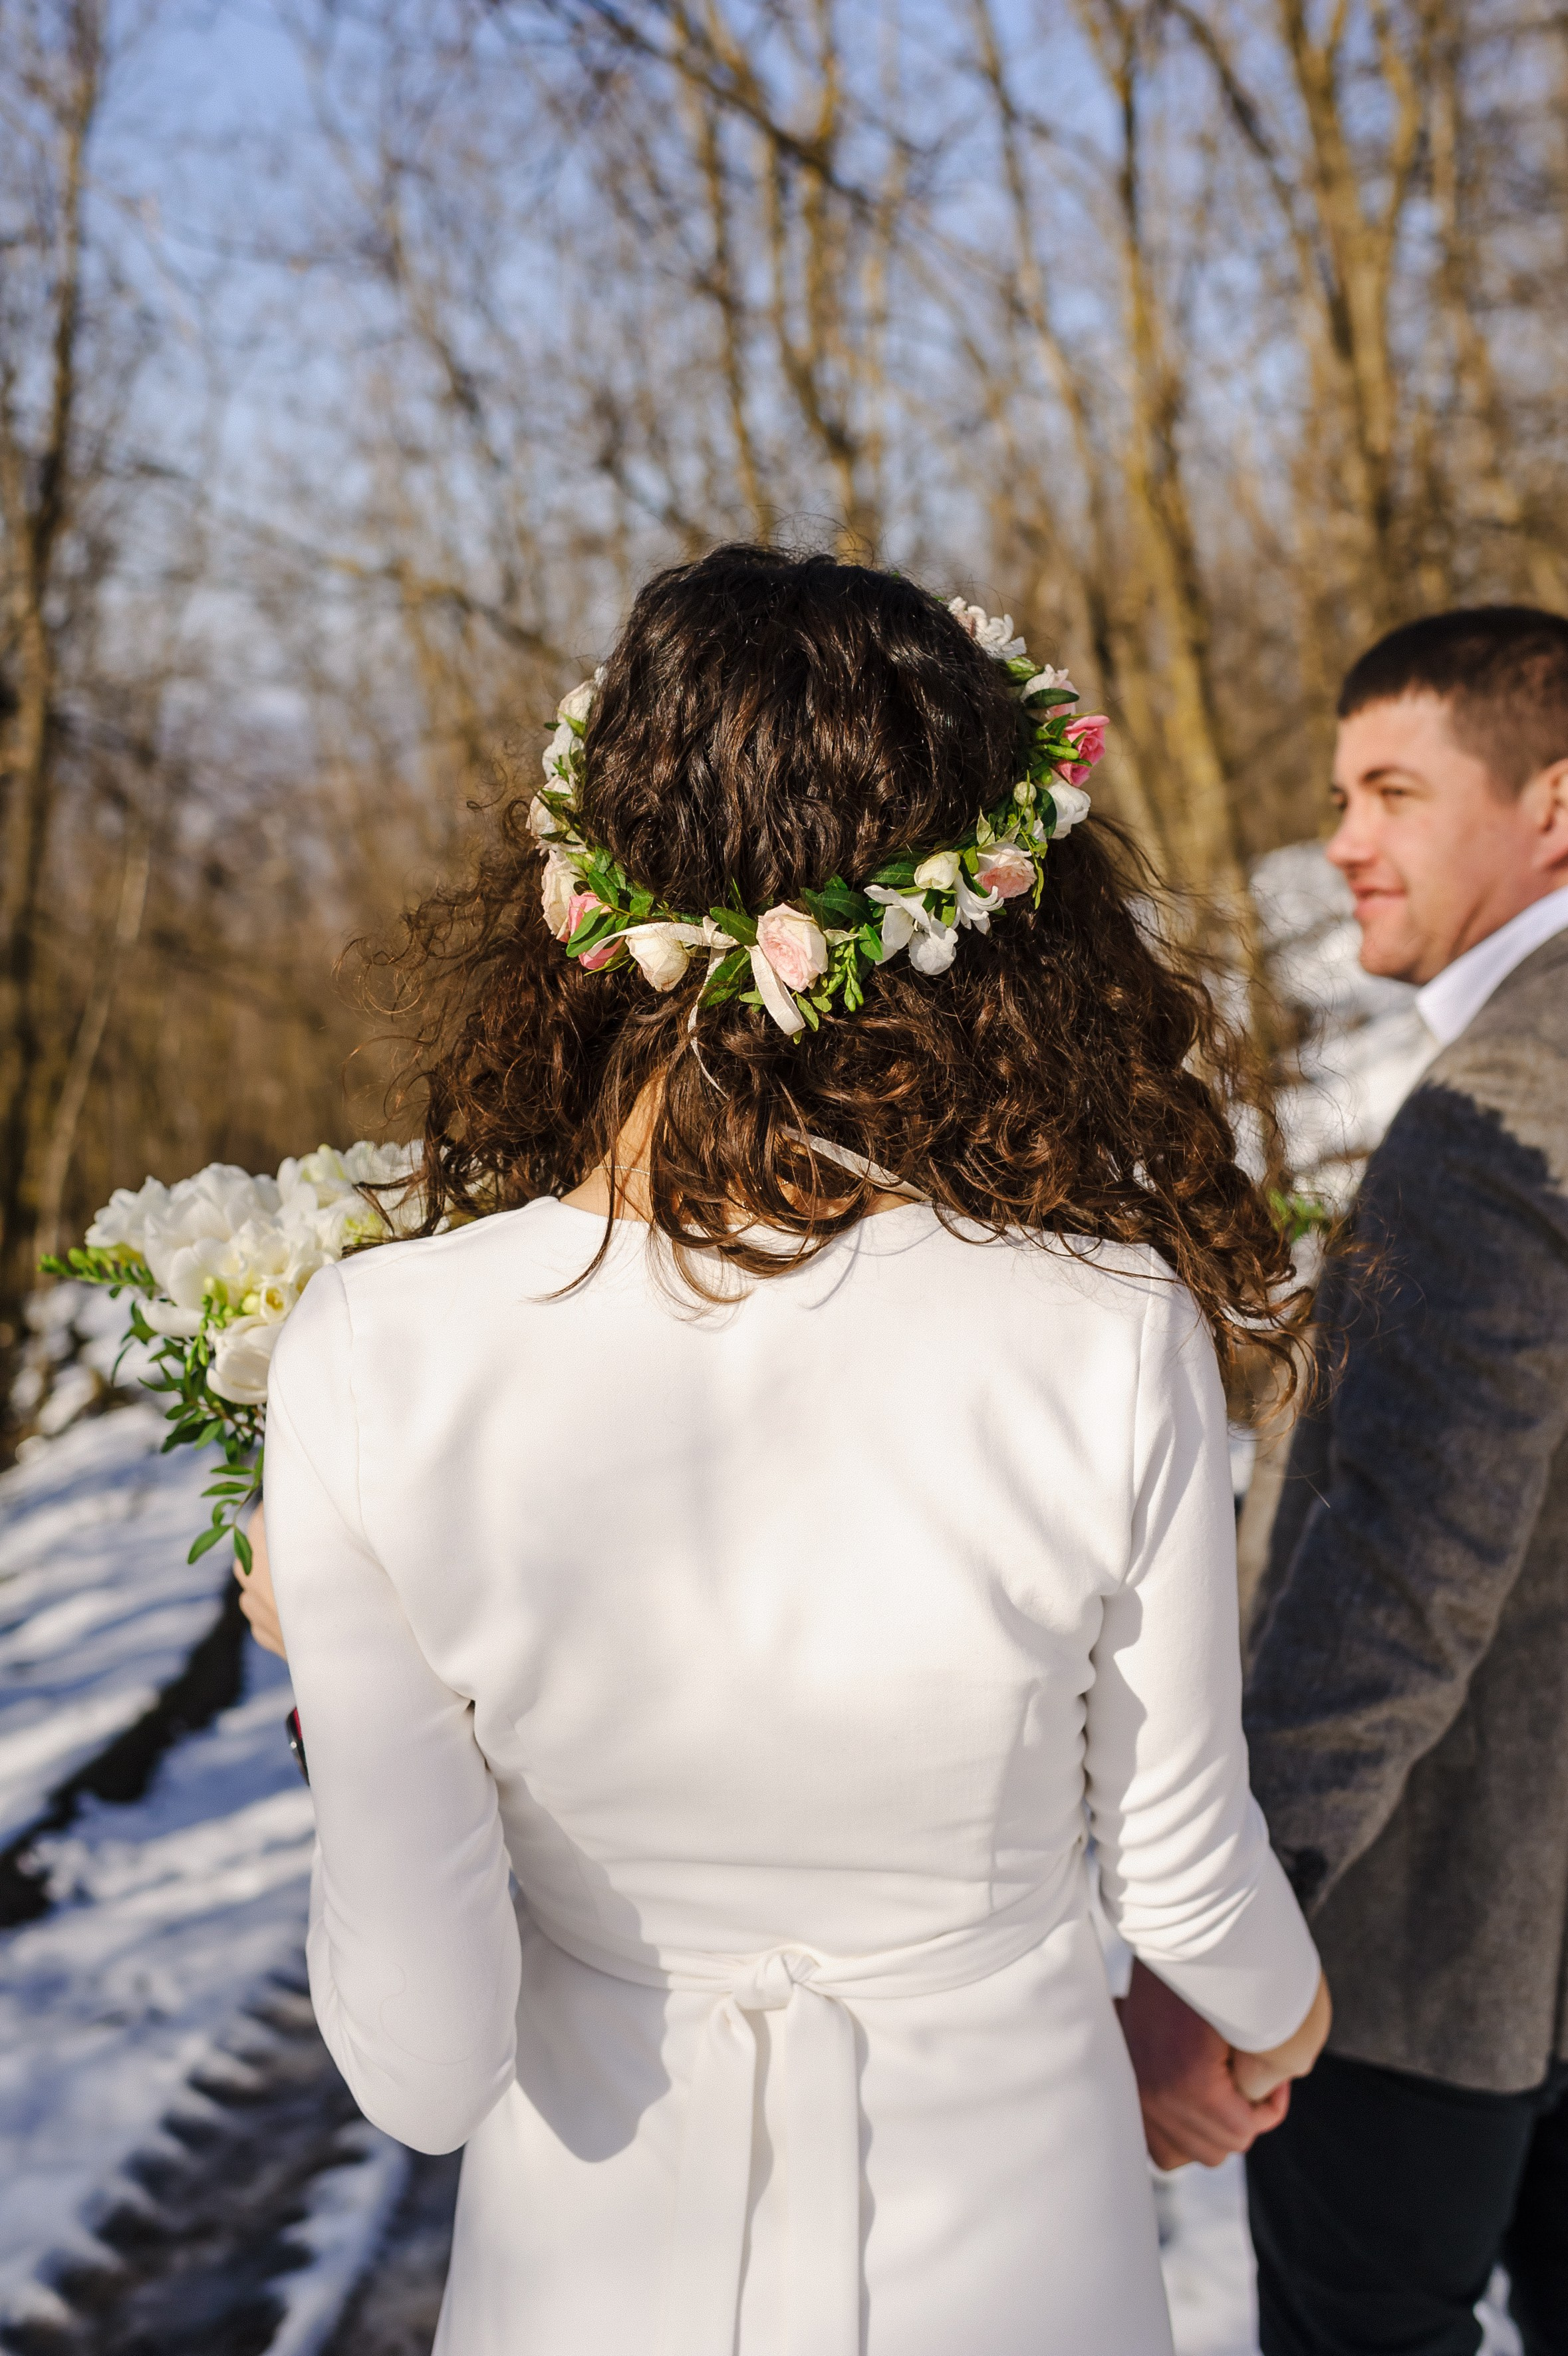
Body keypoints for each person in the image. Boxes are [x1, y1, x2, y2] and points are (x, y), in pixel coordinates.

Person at [243, 545, 1327, 2356]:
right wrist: (1274, 2032)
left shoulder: (375, 1353)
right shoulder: (1106, 1328)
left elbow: (422, 2065)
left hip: (591, 2280)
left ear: (582, 907)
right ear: (1000, 926)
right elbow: (1186, 1859)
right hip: (1011, 2261)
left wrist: (340, 1687)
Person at [1117, 605, 1568, 2356]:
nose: (1341, 842)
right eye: (1335, 794)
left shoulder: (1499, 1116)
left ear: (1549, 808)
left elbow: (1405, 1564)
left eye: (1392, 790)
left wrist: (1230, 1932)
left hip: (1422, 1947)